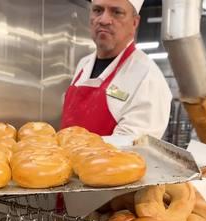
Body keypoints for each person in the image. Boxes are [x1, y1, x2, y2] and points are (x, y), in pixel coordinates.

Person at [60, 0, 172, 146]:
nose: (104, 20)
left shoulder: (146, 77)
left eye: (117, 12)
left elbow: (133, 147)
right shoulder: (84, 64)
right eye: (98, 10)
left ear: (134, 22)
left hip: (106, 167)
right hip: (65, 164)